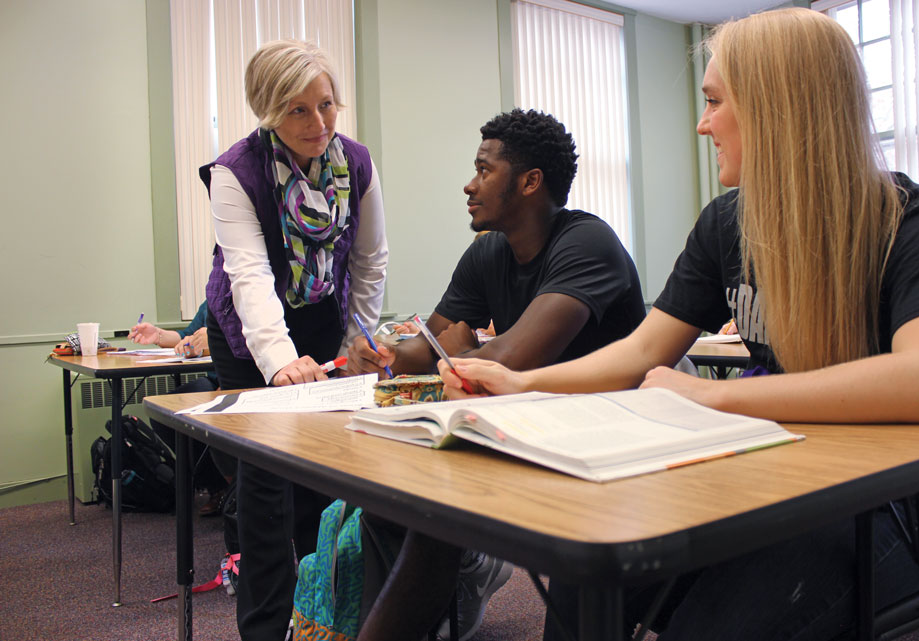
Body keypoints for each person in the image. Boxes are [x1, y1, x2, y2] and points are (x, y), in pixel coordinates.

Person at [438, 8, 919, 641]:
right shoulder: (727, 224)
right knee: (586, 558)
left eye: (714, 102)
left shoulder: (915, 227)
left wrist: (714, 395)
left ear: (776, 108)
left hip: (896, 510)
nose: (701, 122)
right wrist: (520, 385)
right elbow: (641, 350)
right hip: (781, 474)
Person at [349, 109, 646, 641]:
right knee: (406, 507)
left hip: (615, 447)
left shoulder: (586, 243)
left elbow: (509, 361)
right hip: (534, 432)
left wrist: (465, 352)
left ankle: (474, 563)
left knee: (450, 516)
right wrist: (383, 353)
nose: (470, 183)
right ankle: (463, 570)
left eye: (484, 170)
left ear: (530, 182)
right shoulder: (488, 252)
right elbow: (426, 347)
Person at [200, 40, 387, 641]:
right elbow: (250, 275)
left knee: (320, 480)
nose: (319, 123)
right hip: (250, 336)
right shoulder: (236, 172)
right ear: (269, 110)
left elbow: (369, 262)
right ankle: (261, 628)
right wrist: (279, 364)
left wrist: (360, 340)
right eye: (299, 110)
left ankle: (319, 620)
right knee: (264, 489)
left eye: (326, 105)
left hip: (321, 325)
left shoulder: (355, 163)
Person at [130, 301, 234, 515]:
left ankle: (231, 488)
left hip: (241, 383)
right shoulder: (213, 298)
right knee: (164, 413)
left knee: (210, 408)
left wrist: (215, 338)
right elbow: (186, 334)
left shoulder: (256, 289)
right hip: (214, 381)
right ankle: (216, 485)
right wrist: (157, 335)